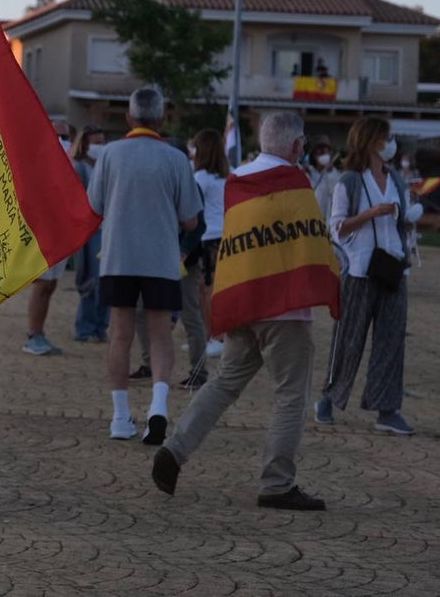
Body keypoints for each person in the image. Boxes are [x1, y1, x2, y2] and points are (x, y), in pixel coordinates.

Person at [152, 112, 333, 511]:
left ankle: (175, 449)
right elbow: (311, 242)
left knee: (223, 384)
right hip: (285, 308)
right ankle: (277, 483)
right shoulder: (295, 183)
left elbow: (239, 245)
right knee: (290, 394)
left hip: (245, 299)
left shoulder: (239, 182)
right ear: (297, 147)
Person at [87, 87, 201, 444]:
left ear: (129, 117)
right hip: (161, 257)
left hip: (119, 255)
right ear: (162, 118)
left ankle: (120, 417)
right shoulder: (176, 159)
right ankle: (158, 408)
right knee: (161, 334)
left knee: (120, 333)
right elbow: (191, 220)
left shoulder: (109, 154)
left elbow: (95, 205)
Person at [316, 117, 422, 435]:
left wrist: (409, 215)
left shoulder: (395, 179)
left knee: (391, 340)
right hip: (361, 269)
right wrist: (369, 214)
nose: (391, 144)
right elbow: (336, 227)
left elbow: (402, 220)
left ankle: (387, 409)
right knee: (349, 340)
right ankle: (329, 397)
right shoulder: (349, 181)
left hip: (392, 268)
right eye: (386, 138)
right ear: (372, 140)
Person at [22, 120, 80, 356]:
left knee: (52, 284)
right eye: (58, 135)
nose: (62, 140)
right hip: (43, 230)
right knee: (43, 283)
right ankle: (33, 335)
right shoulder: (37, 159)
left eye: (66, 136)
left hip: (61, 230)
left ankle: (40, 333)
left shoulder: (70, 160)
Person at [191, 128, 232, 366]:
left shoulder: (200, 179)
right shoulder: (228, 177)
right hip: (224, 234)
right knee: (213, 288)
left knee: (206, 289)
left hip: (208, 237)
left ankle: (215, 336)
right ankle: (213, 335)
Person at [72, 125, 109, 344]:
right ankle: (85, 327)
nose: (99, 147)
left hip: (108, 229)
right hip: (89, 230)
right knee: (90, 280)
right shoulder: (79, 167)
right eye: (96, 142)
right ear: (84, 144)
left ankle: (101, 326)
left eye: (102, 142)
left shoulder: (107, 165)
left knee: (106, 281)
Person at [307, 135, 340, 221]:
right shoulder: (309, 172)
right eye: (321, 153)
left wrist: (331, 173)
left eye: (327, 153)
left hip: (326, 219)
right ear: (314, 156)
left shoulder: (334, 173)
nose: (324, 156)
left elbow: (336, 191)